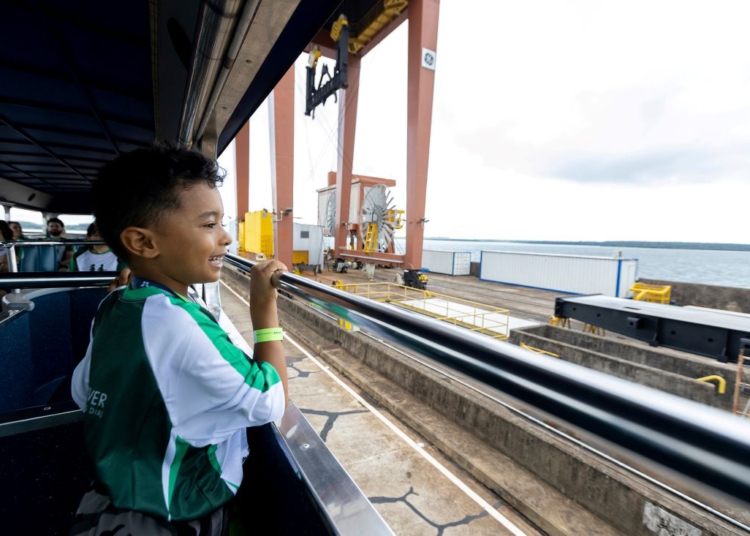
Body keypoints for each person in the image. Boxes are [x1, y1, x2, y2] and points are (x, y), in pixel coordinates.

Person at [69, 143, 288, 535]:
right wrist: (264, 309)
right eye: (209, 225)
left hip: (109, 498)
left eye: (223, 223)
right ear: (143, 243)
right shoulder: (177, 322)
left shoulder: (115, 305)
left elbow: (84, 393)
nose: (226, 240)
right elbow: (268, 401)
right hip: (180, 507)